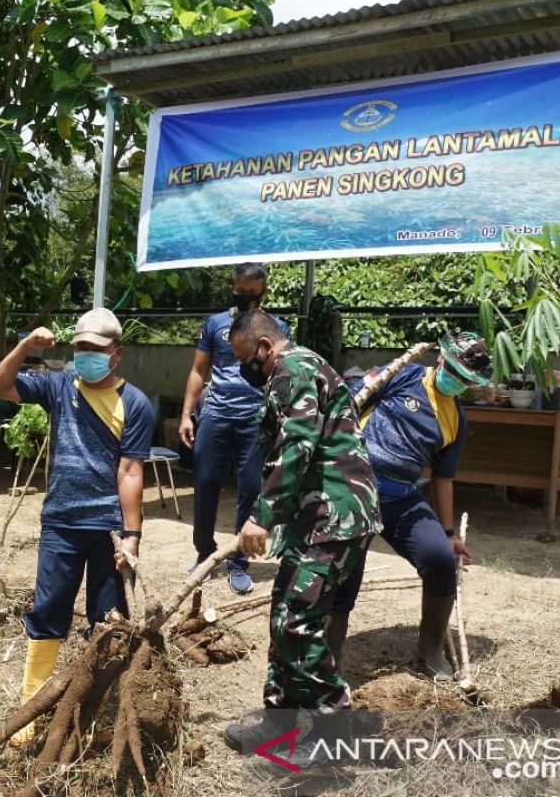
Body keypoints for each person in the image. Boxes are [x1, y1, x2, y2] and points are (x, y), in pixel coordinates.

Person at [0, 308, 154, 746]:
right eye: (79, 347)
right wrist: (25, 346)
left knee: (108, 619)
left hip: (107, 529)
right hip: (60, 521)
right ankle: (31, 708)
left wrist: (132, 536)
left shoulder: (133, 403)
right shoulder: (59, 386)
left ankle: (96, 709)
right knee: (48, 612)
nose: (84, 356)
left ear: (115, 355)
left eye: (95, 350)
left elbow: (130, 471)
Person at [222, 311, 381, 768]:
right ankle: (280, 722)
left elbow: (297, 447)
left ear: (266, 347)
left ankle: (335, 733)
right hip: (313, 517)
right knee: (284, 615)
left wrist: (261, 517)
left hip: (335, 514)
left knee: (298, 620)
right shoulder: (293, 371)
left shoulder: (293, 369)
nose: (243, 369)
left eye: (244, 358)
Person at [329, 332, 491, 680]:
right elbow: (353, 399)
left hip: (402, 497)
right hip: (356, 488)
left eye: (467, 380)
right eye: (455, 372)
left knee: (440, 560)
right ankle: (330, 659)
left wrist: (448, 534)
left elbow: (442, 478)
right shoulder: (403, 375)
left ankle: (429, 647)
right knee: (344, 576)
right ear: (441, 360)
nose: (457, 382)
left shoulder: (456, 420)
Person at [178, 263, 289, 594]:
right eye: (240, 292)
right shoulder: (215, 324)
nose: (245, 298)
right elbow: (199, 371)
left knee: (251, 489)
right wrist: (187, 414)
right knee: (207, 482)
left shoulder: (277, 326)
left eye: (252, 294)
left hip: (256, 420)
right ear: (232, 288)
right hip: (216, 415)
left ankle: (239, 561)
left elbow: (283, 372)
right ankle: (204, 553)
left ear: (264, 291)